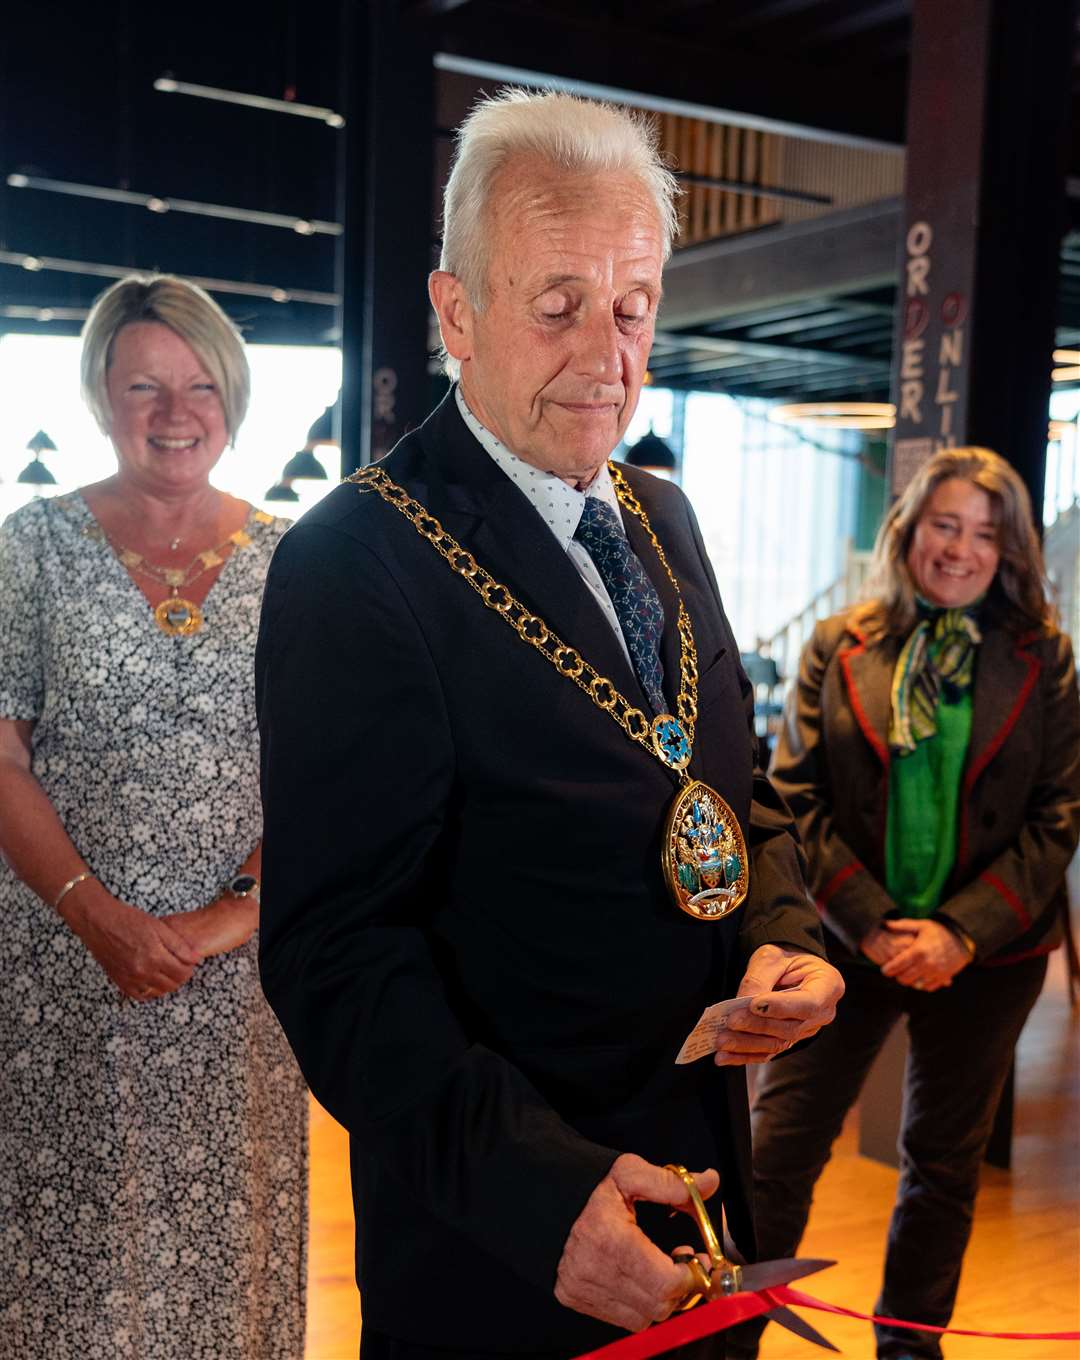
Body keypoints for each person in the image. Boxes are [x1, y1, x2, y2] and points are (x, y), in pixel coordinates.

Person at [257, 90, 843, 1359]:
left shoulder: (665, 517)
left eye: (632, 308)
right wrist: (540, 1195)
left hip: (704, 1203)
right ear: (457, 310)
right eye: (557, 303)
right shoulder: (354, 560)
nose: (607, 353)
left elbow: (732, 800)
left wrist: (780, 937)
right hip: (510, 1241)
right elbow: (336, 957)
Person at [0, 275, 308, 1359]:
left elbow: (333, 770)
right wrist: (100, 919)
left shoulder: (296, 561)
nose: (175, 412)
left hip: (236, 988)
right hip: (63, 977)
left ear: (233, 398)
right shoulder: (30, 545)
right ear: (98, 395)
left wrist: (225, 919)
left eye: (199, 385)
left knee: (231, 1256)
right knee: (68, 1262)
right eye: (143, 385)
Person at [727, 446, 1080, 1360]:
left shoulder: (1045, 658)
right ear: (910, 529)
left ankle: (908, 1349)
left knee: (941, 1167)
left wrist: (960, 933)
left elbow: (1058, 816)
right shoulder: (838, 642)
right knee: (778, 1150)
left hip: (987, 953)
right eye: (944, 524)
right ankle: (726, 1343)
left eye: (986, 535)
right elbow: (793, 800)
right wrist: (875, 926)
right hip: (847, 943)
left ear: (1011, 553)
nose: (961, 550)